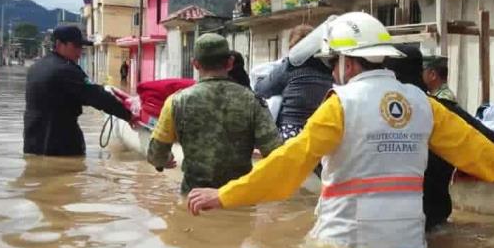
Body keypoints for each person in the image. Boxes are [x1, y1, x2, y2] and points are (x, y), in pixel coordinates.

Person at [186, 13, 494, 248]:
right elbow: (471, 146)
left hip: (346, 243)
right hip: (410, 243)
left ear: (348, 62)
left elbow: (289, 163)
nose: (332, 72)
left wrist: (226, 195)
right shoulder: (423, 103)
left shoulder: (341, 104)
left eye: (333, 63)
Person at [146, 33, 282, 194]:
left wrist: (164, 160)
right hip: (238, 197)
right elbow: (276, 154)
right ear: (230, 63)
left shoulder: (176, 102)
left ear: (195, 64)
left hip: (194, 199)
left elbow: (155, 154)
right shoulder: (252, 101)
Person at [386, 44, 494, 230]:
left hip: (392, 224)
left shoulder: (377, 116)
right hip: (436, 218)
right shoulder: (442, 110)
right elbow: (493, 144)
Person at [24, 25, 133, 156]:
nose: (79, 52)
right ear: (59, 44)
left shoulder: (36, 67)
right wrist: (129, 116)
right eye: (75, 46)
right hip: (61, 144)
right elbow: (97, 97)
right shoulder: (67, 70)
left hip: (32, 143)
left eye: (81, 47)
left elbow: (66, 97)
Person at [255, 24, 334, 140]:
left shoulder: (290, 67)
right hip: (320, 133)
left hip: (291, 131)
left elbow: (261, 90)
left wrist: (260, 78)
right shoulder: (328, 69)